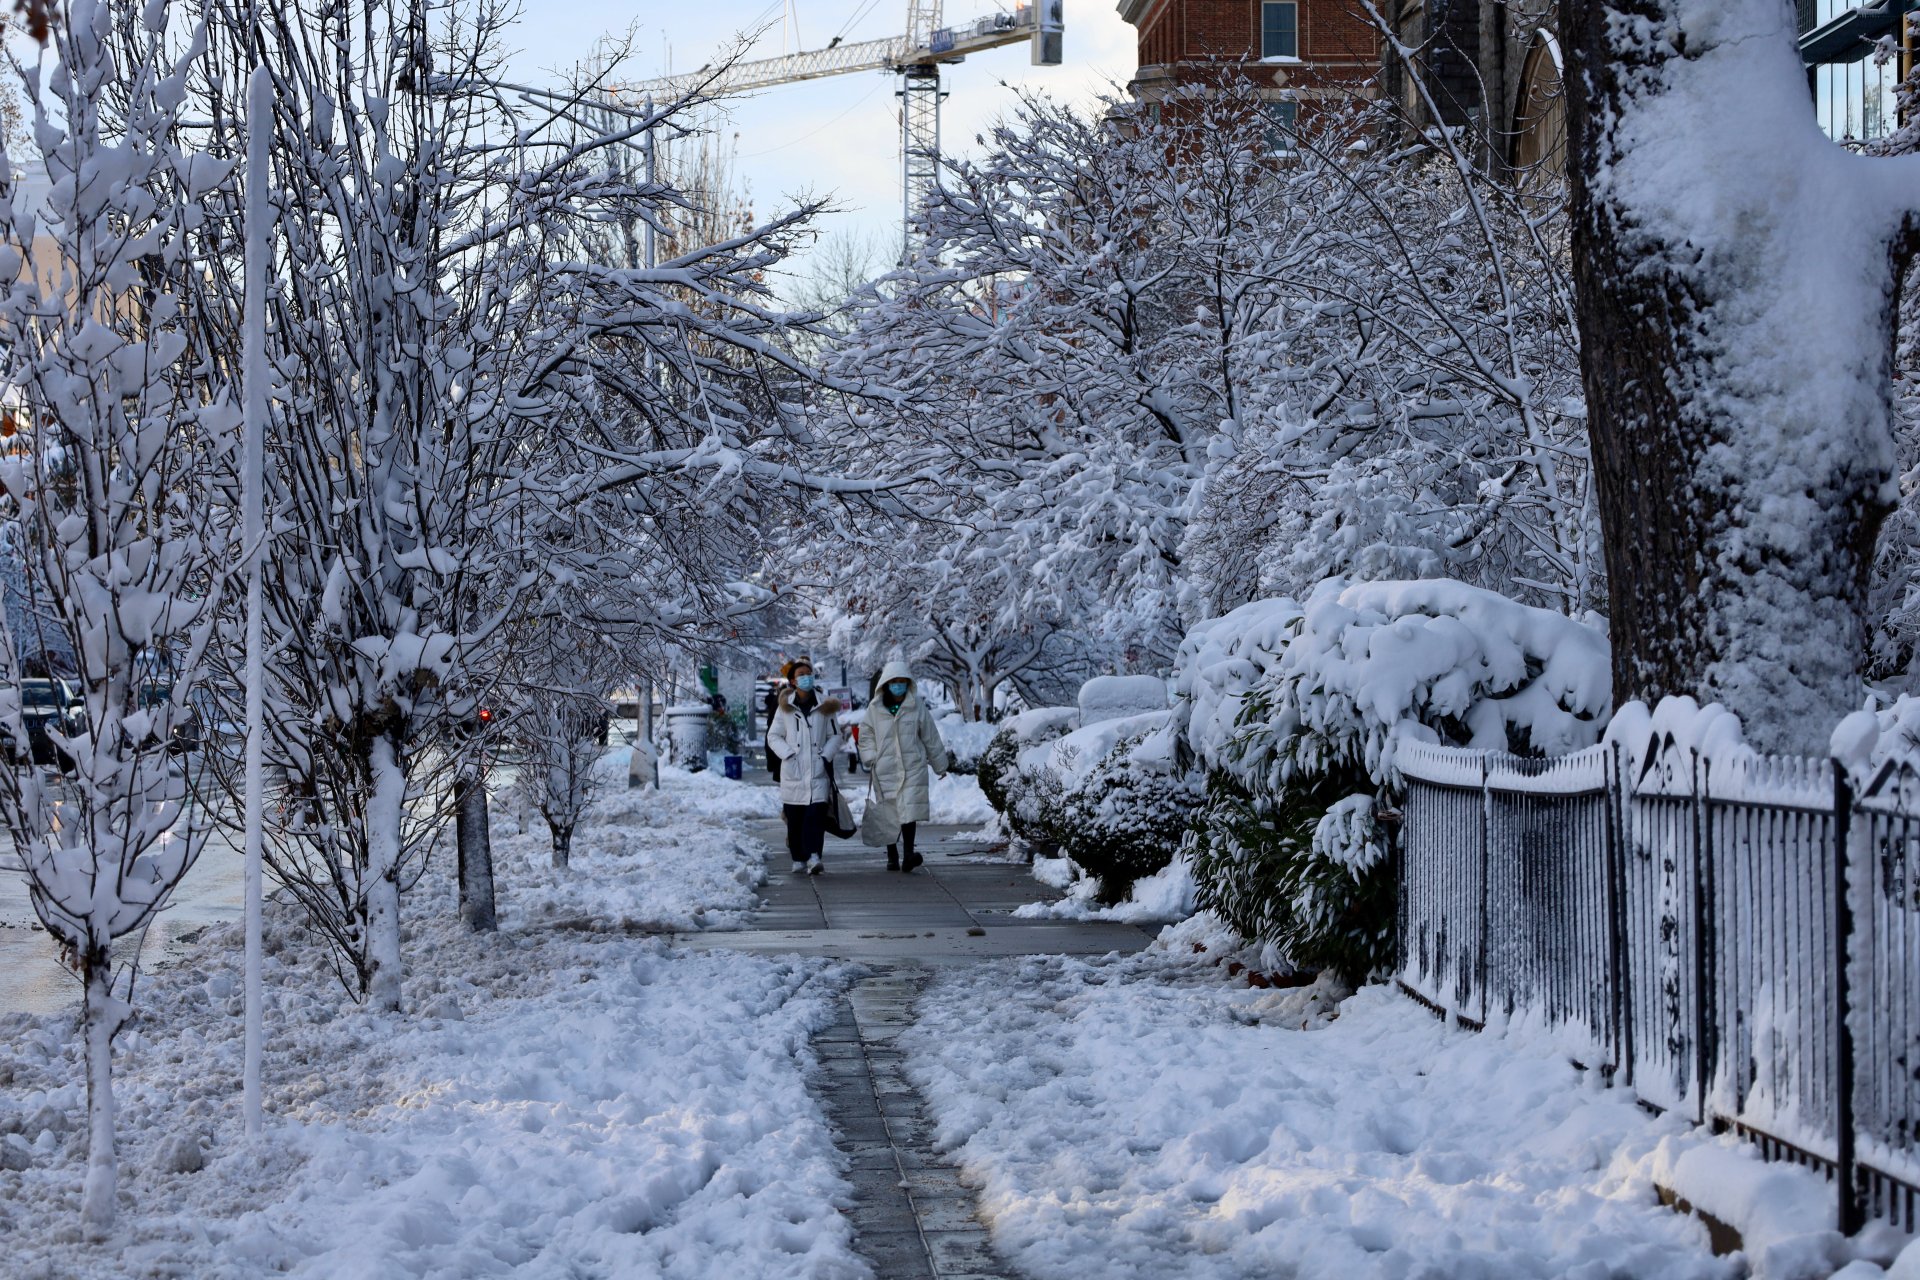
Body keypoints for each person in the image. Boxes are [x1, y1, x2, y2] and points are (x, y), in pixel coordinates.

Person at [858, 660, 949, 873]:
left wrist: (940, 765)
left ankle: (909, 853)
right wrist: (871, 756)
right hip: (886, 767)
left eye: (902, 682)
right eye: (894, 682)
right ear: (886, 684)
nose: (898, 685)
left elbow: (930, 736)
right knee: (889, 812)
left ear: (908, 683)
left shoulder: (916, 706)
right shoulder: (875, 709)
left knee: (909, 811)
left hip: (912, 766)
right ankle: (892, 855)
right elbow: (866, 734)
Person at [765, 658, 844, 875]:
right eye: (801, 674)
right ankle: (798, 857)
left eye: (808, 673)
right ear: (793, 680)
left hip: (818, 771)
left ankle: (814, 856)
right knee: (796, 819)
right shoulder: (786, 707)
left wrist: (825, 756)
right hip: (794, 771)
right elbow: (774, 736)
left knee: (815, 817)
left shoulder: (825, 706)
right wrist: (788, 754)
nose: (806, 677)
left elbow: (836, 736)